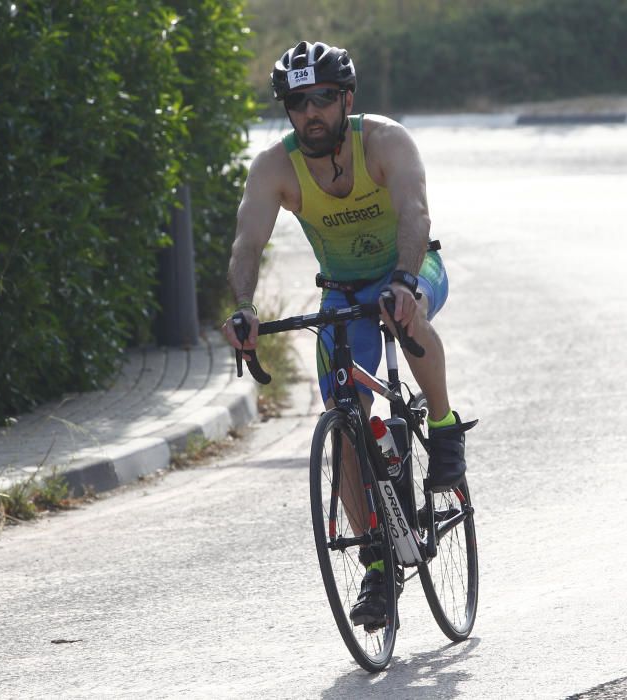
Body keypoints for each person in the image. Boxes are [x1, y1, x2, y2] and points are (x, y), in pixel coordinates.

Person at [223, 40, 476, 627]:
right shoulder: (273, 168)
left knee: (402, 314)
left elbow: (415, 212)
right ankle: (377, 565)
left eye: (325, 99)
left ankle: (442, 428)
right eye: (299, 102)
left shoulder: (385, 141)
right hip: (340, 292)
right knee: (344, 423)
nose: (312, 112)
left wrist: (407, 281)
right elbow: (247, 242)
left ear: (347, 99)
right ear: (287, 109)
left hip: (411, 269)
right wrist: (243, 308)